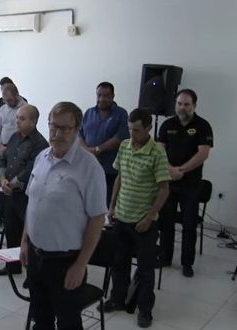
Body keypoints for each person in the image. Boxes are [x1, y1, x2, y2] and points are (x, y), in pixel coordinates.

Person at [20, 102, 107, 329]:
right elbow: (33, 204)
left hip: (66, 262)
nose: (55, 133)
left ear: (76, 129)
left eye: (63, 128)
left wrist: (80, 265)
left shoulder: (89, 167)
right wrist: (24, 242)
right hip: (37, 258)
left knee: (68, 322)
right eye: (52, 126)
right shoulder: (41, 158)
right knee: (41, 318)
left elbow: (97, 219)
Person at [105, 108, 170, 328]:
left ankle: (145, 310)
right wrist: (112, 206)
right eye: (130, 129)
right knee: (119, 263)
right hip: (121, 216)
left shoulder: (157, 153)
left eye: (137, 130)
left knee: (145, 269)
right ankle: (117, 299)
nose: (132, 134)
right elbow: (119, 178)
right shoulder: (124, 146)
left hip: (144, 222)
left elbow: (163, 190)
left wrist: (150, 218)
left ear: (149, 129)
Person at [158, 89, 213, 277]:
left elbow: (203, 153)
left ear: (194, 106)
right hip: (168, 182)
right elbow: (159, 150)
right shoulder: (167, 124)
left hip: (191, 184)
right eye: (179, 103)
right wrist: (170, 169)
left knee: (189, 226)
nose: (182, 108)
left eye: (186, 104)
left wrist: (181, 170)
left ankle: (187, 263)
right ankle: (165, 257)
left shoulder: (203, 126)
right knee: (166, 222)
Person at [0, 105, 48, 276]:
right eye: (17, 117)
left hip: (26, 195)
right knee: (11, 230)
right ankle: (12, 266)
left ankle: (32, 272)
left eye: (22, 119)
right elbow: (2, 158)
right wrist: (2, 179)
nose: (17, 121)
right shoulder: (14, 137)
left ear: (34, 121)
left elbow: (32, 169)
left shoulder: (40, 143)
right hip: (9, 192)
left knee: (30, 235)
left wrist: (13, 183)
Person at [80, 82, 129, 206]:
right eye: (99, 95)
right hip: (88, 166)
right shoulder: (89, 113)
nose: (102, 99)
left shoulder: (121, 114)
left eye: (106, 95)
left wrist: (97, 149)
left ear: (113, 96)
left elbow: (120, 137)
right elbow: (79, 135)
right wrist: (87, 150)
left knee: (106, 203)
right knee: (88, 201)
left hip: (110, 168)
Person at [0, 83, 27, 227]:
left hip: (16, 151)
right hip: (2, 149)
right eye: (5, 100)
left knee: (10, 184)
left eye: (10, 100)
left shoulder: (24, 109)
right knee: (2, 181)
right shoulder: (2, 108)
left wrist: (10, 147)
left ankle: (10, 219)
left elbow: (24, 131)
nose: (8, 103)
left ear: (17, 95)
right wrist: (0, 144)